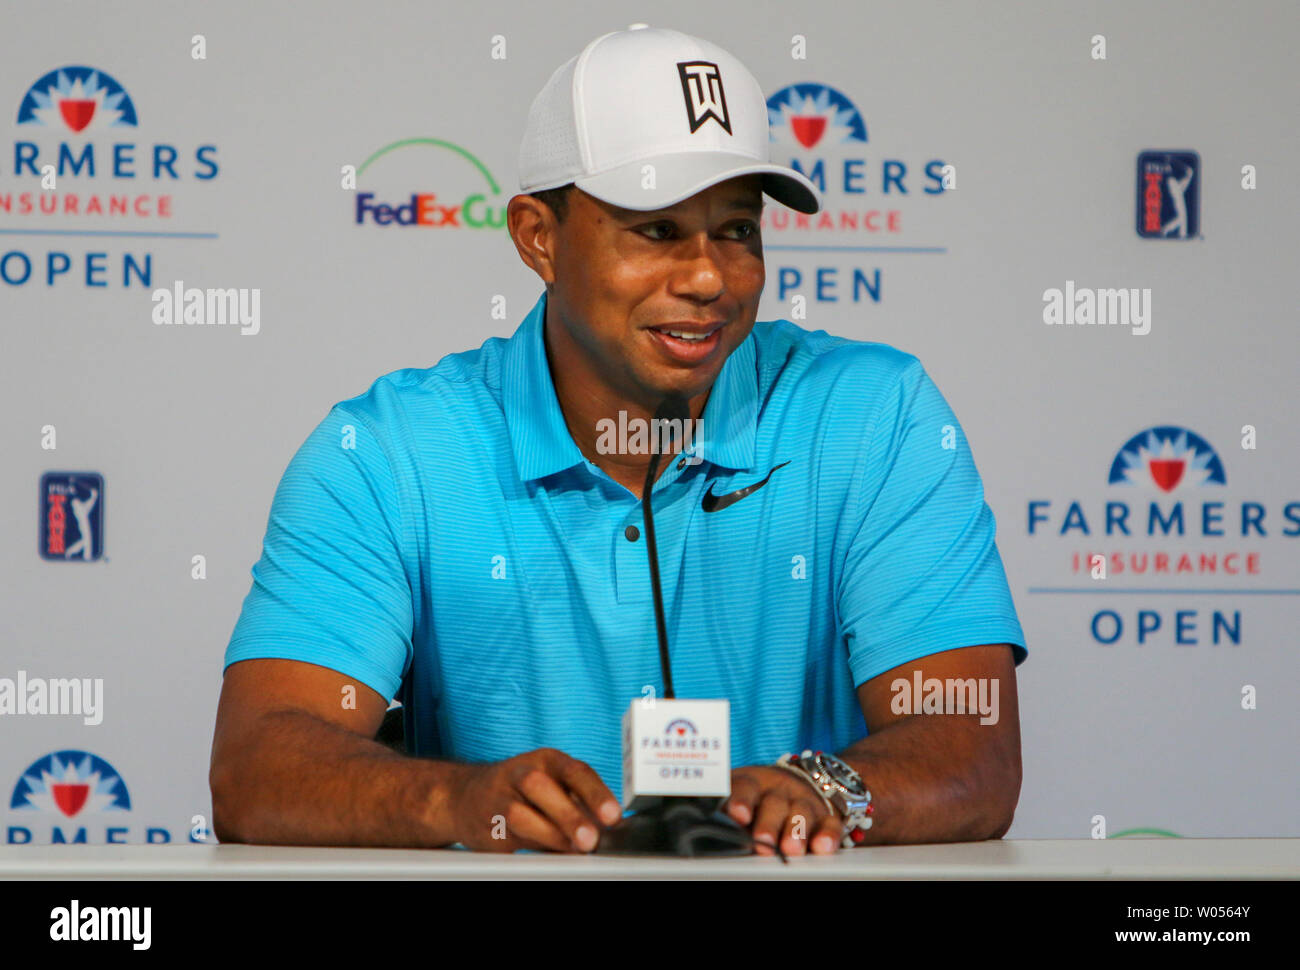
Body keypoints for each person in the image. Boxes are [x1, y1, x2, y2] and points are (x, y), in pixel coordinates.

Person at [210, 25, 1027, 857]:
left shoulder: (875, 415)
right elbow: (256, 765)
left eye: (737, 230)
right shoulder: (390, 453)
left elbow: (972, 750)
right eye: (658, 231)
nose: (709, 277)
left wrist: (820, 789)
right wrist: (463, 802)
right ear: (538, 237)